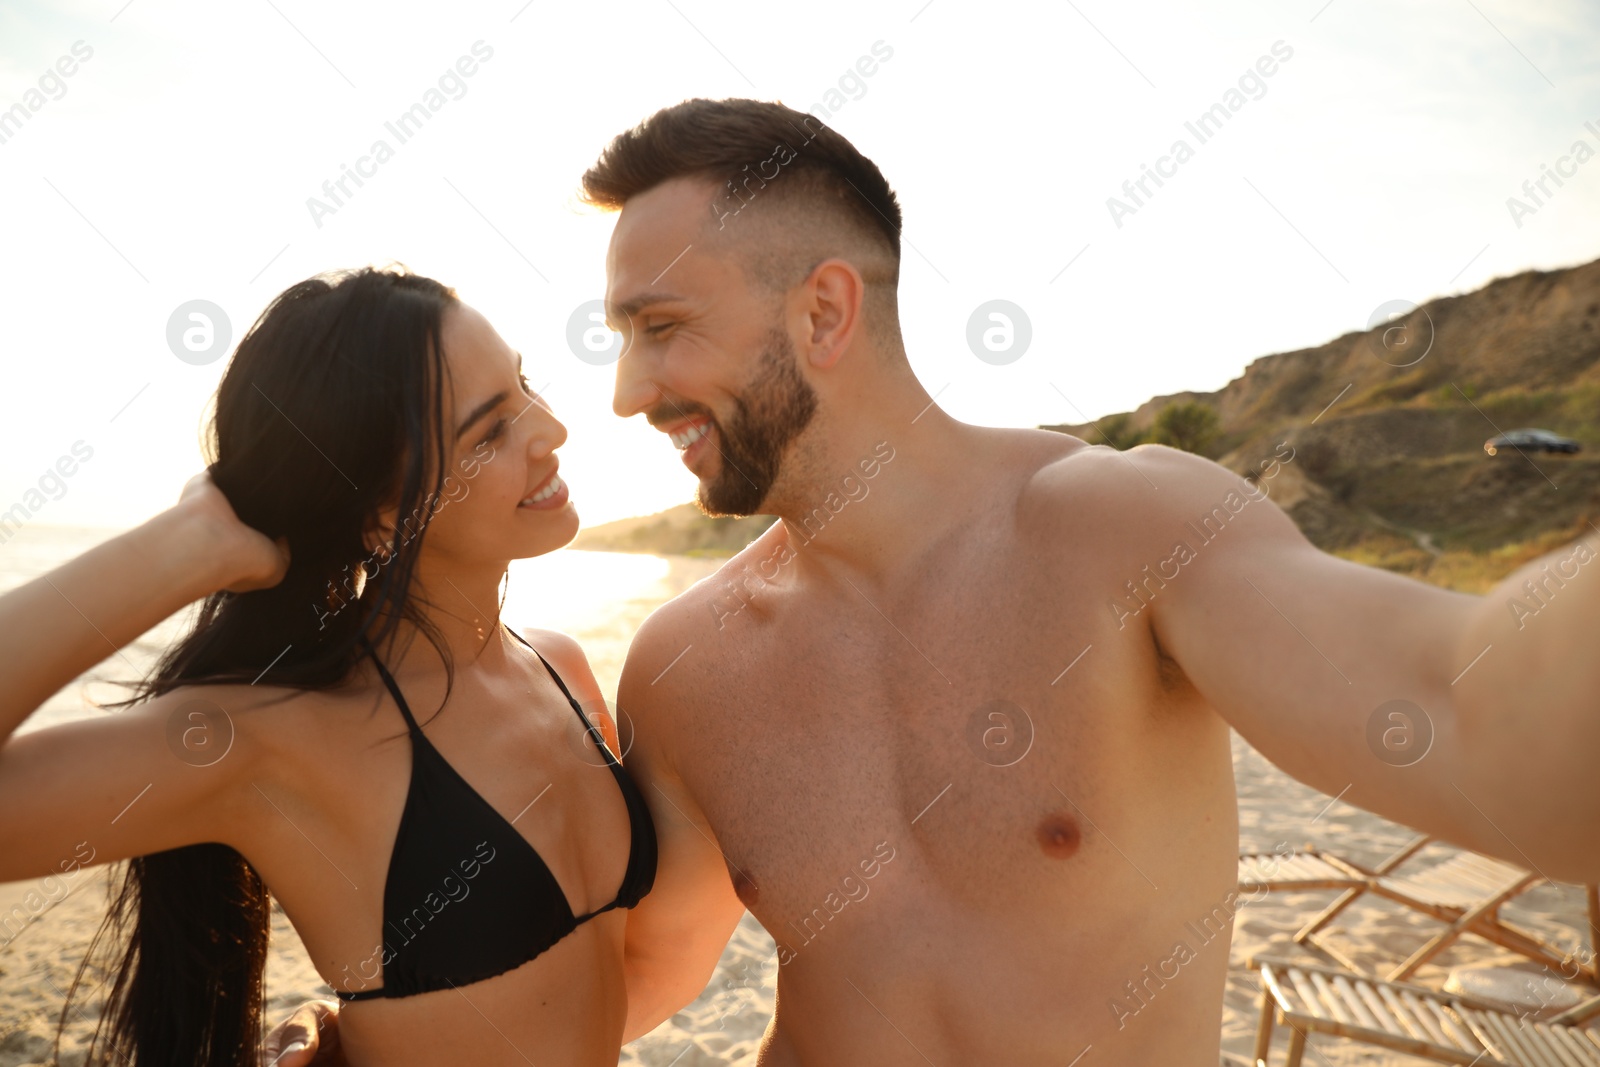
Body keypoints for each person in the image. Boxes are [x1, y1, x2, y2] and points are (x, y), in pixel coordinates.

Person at [281, 100, 1600, 1064]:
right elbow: (652, 965)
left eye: (660, 331)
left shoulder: (1121, 526)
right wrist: (380, 1041)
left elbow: (1466, 706)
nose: (624, 395)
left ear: (825, 311)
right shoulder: (686, 661)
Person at [0, 267, 667, 1066]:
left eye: (524, 384)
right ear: (379, 512)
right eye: (489, 431)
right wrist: (186, 546)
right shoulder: (284, 737)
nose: (551, 428)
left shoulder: (557, 664)